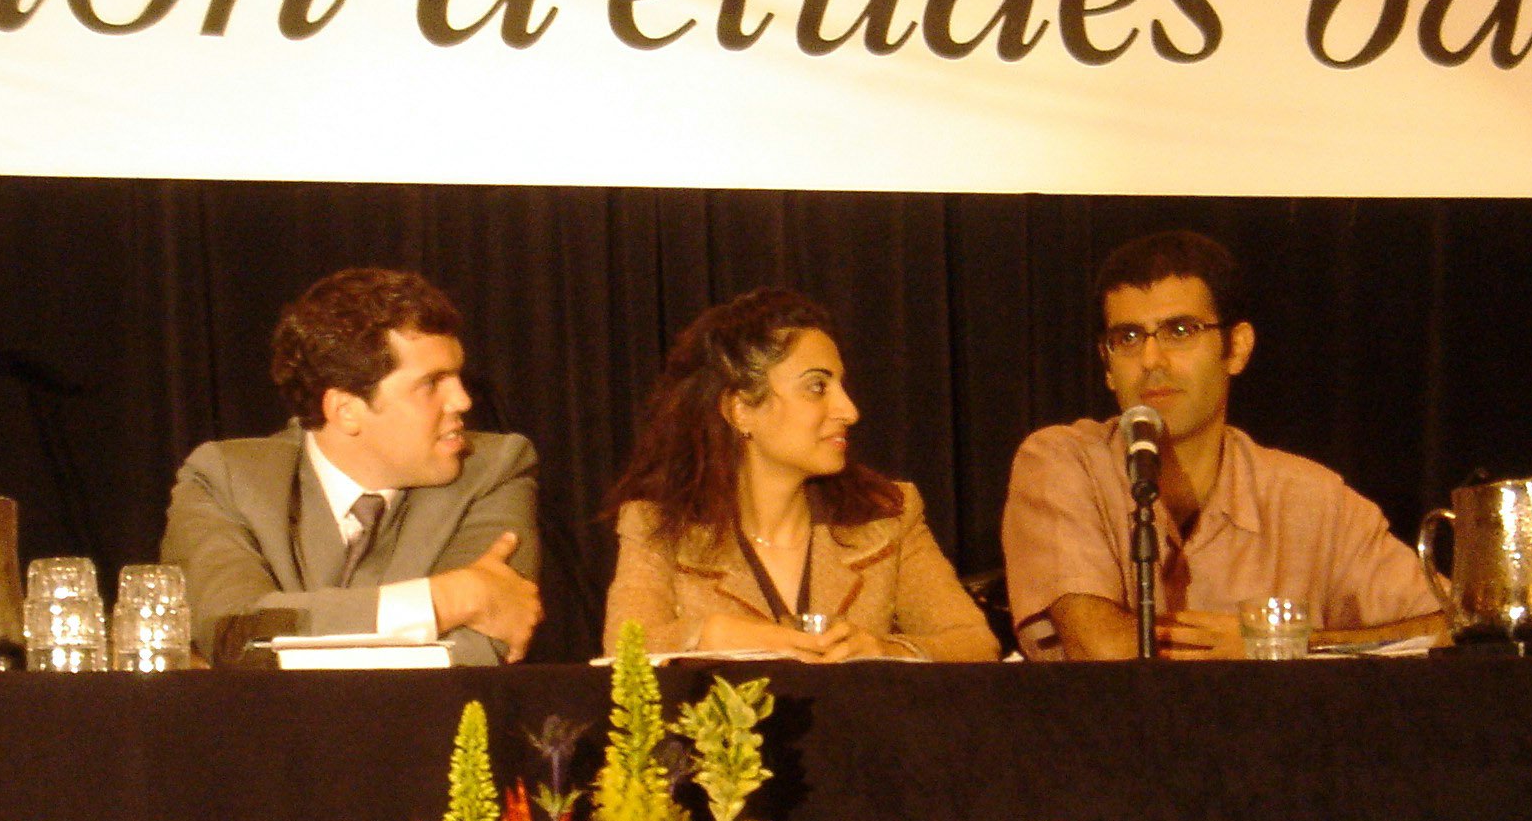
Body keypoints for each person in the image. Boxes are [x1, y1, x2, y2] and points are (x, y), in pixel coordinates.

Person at [1002, 230, 1441, 660]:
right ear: (1108, 365)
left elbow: (1449, 628)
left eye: (1180, 331)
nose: (1152, 361)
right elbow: (1103, 649)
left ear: (1237, 348)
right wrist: (1257, 655)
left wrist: (1286, 641)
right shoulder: (1060, 462)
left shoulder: (1314, 499)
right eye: (1129, 338)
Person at [162, 267, 541, 666]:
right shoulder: (225, 480)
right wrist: (442, 601)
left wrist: (289, 642)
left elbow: (477, 650)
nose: (462, 400)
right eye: (432, 383)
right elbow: (232, 632)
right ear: (345, 411)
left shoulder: (496, 468)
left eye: (457, 377)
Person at [602, 288, 997, 662]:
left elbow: (975, 644)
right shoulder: (656, 525)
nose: (849, 410)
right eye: (817, 387)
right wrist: (706, 635)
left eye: (840, 385)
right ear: (740, 410)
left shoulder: (888, 515)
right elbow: (623, 653)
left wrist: (886, 652)